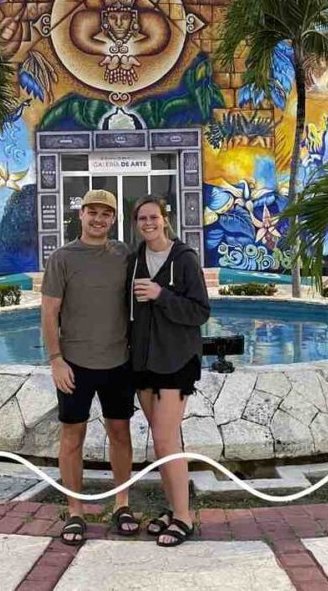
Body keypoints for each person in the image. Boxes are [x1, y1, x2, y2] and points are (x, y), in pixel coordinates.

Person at [41, 189, 139, 545]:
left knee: (120, 433)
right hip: (75, 365)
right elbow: (49, 313)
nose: (99, 219)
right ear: (81, 214)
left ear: (114, 219)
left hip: (118, 362)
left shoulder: (125, 255)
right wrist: (56, 360)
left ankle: (122, 504)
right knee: (72, 436)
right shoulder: (62, 258)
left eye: (106, 213)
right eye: (92, 212)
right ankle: (75, 511)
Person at [128, 195, 210, 547]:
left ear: (165, 219)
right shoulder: (134, 260)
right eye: (142, 218)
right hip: (144, 362)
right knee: (162, 441)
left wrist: (161, 294)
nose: (148, 223)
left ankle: (184, 518)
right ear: (136, 224)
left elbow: (200, 311)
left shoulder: (184, 258)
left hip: (176, 361)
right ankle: (174, 507)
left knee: (165, 438)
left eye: (153, 217)